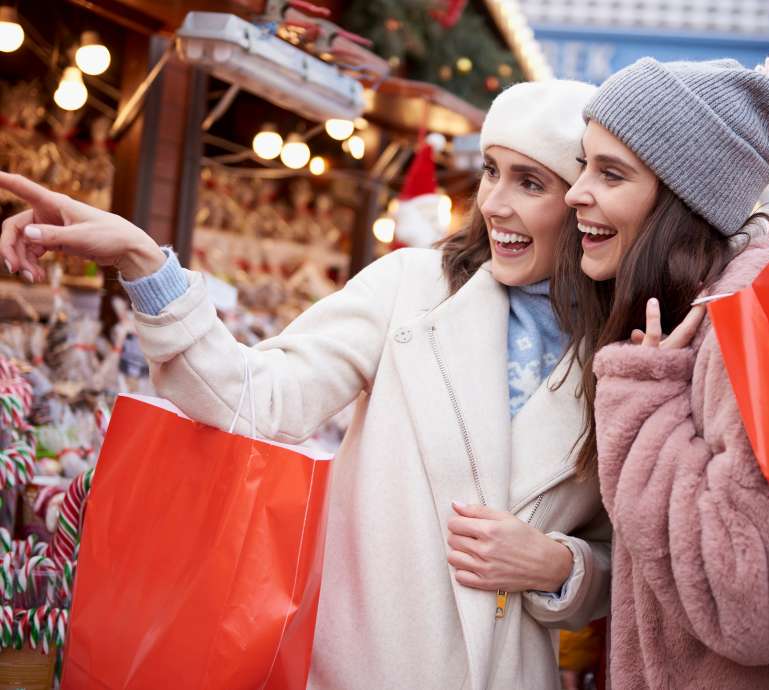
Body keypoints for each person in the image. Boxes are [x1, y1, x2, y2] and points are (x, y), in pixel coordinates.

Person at [0, 79, 610, 690]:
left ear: (582, 201)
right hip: (357, 670)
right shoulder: (412, 288)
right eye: (490, 172)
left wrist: (559, 566)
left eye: (530, 183)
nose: (495, 204)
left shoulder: (621, 351)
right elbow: (257, 399)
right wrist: (142, 261)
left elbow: (628, 563)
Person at [553, 47, 769, 688]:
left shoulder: (744, 328)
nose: (576, 192)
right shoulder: (705, 317)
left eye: (611, 174)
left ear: (682, 200)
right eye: (585, 165)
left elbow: (748, 602)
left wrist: (642, 404)